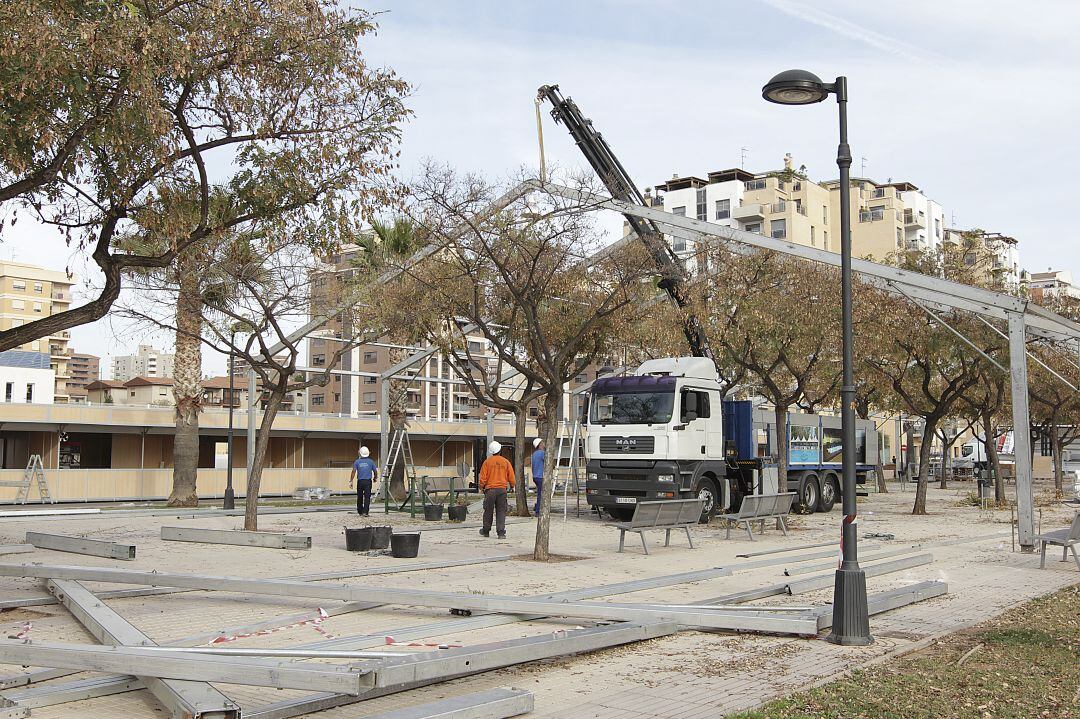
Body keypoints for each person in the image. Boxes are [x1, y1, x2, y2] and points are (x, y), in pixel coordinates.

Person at [478, 440, 514, 539]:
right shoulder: (505, 462)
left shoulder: (487, 462)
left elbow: (483, 478)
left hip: (490, 490)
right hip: (502, 490)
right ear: (500, 450)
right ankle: (501, 532)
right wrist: (512, 486)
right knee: (501, 511)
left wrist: (481, 487)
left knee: (488, 511)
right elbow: (511, 476)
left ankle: (486, 531)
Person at [349, 446, 378, 517]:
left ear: (360, 453)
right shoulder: (371, 461)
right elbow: (375, 471)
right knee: (367, 497)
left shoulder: (357, 461)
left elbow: (353, 471)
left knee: (360, 496)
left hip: (360, 481)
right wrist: (375, 478)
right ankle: (365, 512)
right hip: (368, 482)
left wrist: (351, 481)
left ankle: (360, 511)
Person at [530, 437, 546, 518]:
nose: (544, 443)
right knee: (541, 494)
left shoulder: (534, 454)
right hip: (540, 477)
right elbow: (548, 463)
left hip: (535, 476)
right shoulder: (542, 453)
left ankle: (537, 507)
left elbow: (532, 467)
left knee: (539, 493)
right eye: (542, 442)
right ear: (540, 444)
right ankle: (537, 511)